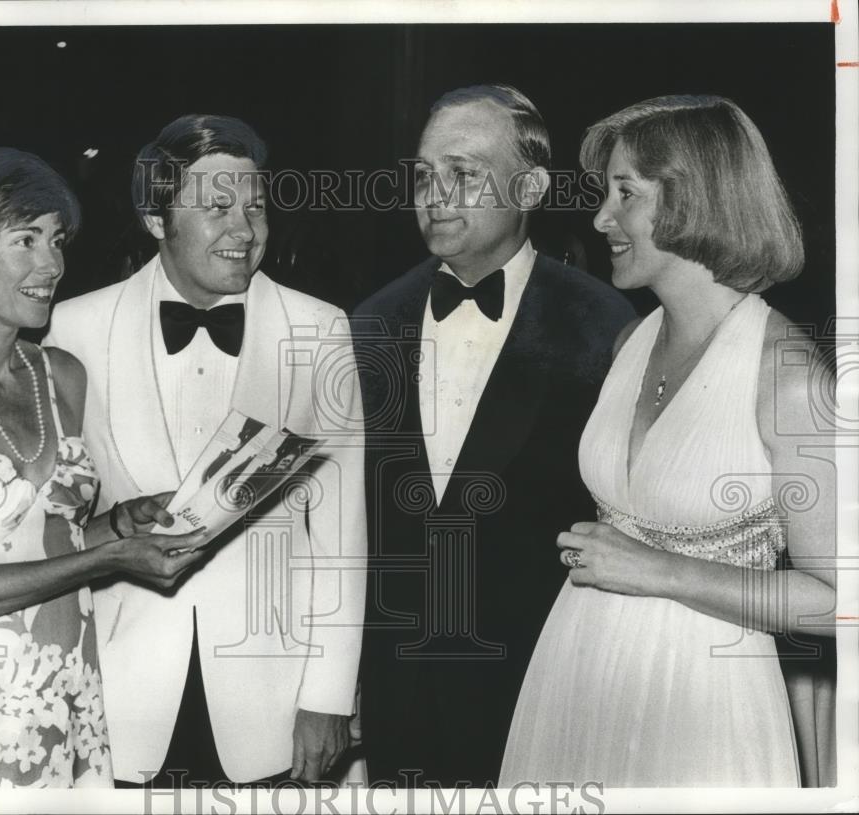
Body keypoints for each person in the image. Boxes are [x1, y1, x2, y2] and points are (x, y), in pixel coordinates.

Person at [499, 95, 837, 787]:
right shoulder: (631, 339)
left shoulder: (790, 375)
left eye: (626, 193)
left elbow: (841, 602)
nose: (601, 218)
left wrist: (659, 570)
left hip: (703, 699)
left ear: (695, 199)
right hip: (577, 669)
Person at [44, 114, 367, 787]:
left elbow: (343, 531)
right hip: (118, 692)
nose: (245, 230)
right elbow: (51, 526)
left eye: (255, 205)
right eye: (217, 207)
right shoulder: (71, 329)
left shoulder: (320, 328)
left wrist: (330, 696)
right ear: (156, 217)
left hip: (272, 697)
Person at [0, 148, 207, 788]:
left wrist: (117, 526)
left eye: (57, 240)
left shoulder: (61, 375)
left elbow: (45, 544)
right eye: (25, 240)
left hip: (71, 695)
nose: (52, 264)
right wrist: (109, 560)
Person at [352, 85, 635, 787]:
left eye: (464, 172)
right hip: (397, 698)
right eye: (423, 175)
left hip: (546, 684)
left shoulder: (608, 327)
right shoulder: (367, 324)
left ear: (532, 185)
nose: (436, 194)